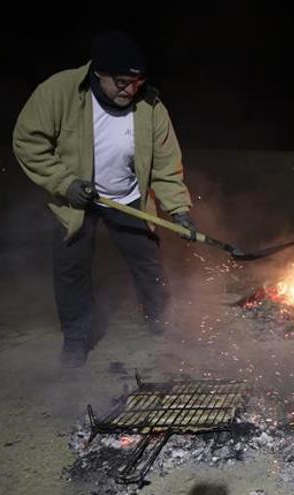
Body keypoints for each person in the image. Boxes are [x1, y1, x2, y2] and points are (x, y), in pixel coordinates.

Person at [13, 31, 196, 368]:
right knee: (72, 269)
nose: (131, 89)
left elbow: (166, 165)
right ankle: (76, 341)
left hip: (126, 197)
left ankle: (161, 325)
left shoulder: (150, 106)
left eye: (137, 81)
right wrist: (65, 183)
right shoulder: (59, 91)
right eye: (123, 82)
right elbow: (28, 142)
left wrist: (178, 209)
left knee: (147, 262)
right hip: (75, 200)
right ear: (99, 74)